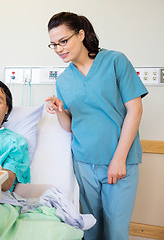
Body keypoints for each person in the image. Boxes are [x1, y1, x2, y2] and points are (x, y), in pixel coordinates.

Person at [45, 12, 148, 240]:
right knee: (90, 230)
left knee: (116, 232)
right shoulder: (63, 80)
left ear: (80, 34)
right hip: (83, 162)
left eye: (64, 41)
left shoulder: (115, 61)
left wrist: (119, 159)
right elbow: (69, 127)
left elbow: (135, 110)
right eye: (54, 44)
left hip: (119, 161)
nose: (59, 49)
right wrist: (60, 110)